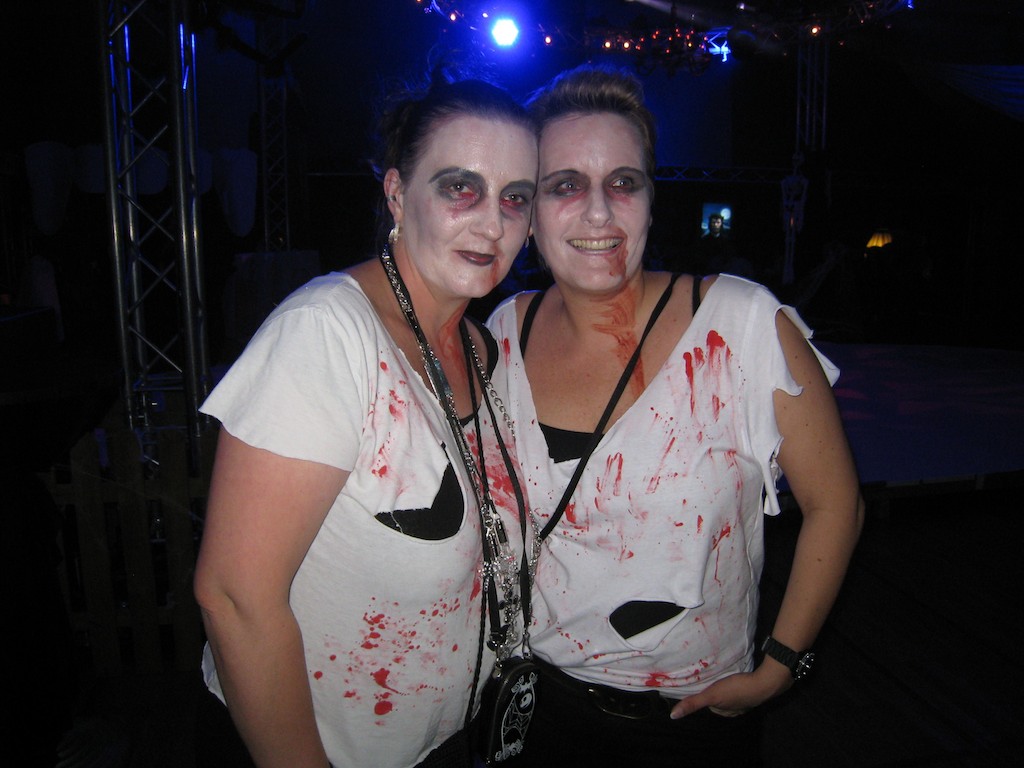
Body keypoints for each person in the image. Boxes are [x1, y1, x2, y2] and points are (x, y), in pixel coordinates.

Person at [487, 64, 864, 766]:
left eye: (623, 182)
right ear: (529, 211)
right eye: (564, 185)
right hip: (540, 708)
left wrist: (781, 666)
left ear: (650, 200)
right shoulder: (504, 331)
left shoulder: (740, 324)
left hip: (692, 721)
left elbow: (835, 502)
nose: (598, 212)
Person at [193, 73, 538, 768]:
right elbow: (233, 597)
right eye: (460, 188)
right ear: (396, 193)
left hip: (447, 741)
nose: (492, 224)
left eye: (515, 198)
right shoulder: (327, 334)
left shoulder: (482, 349)